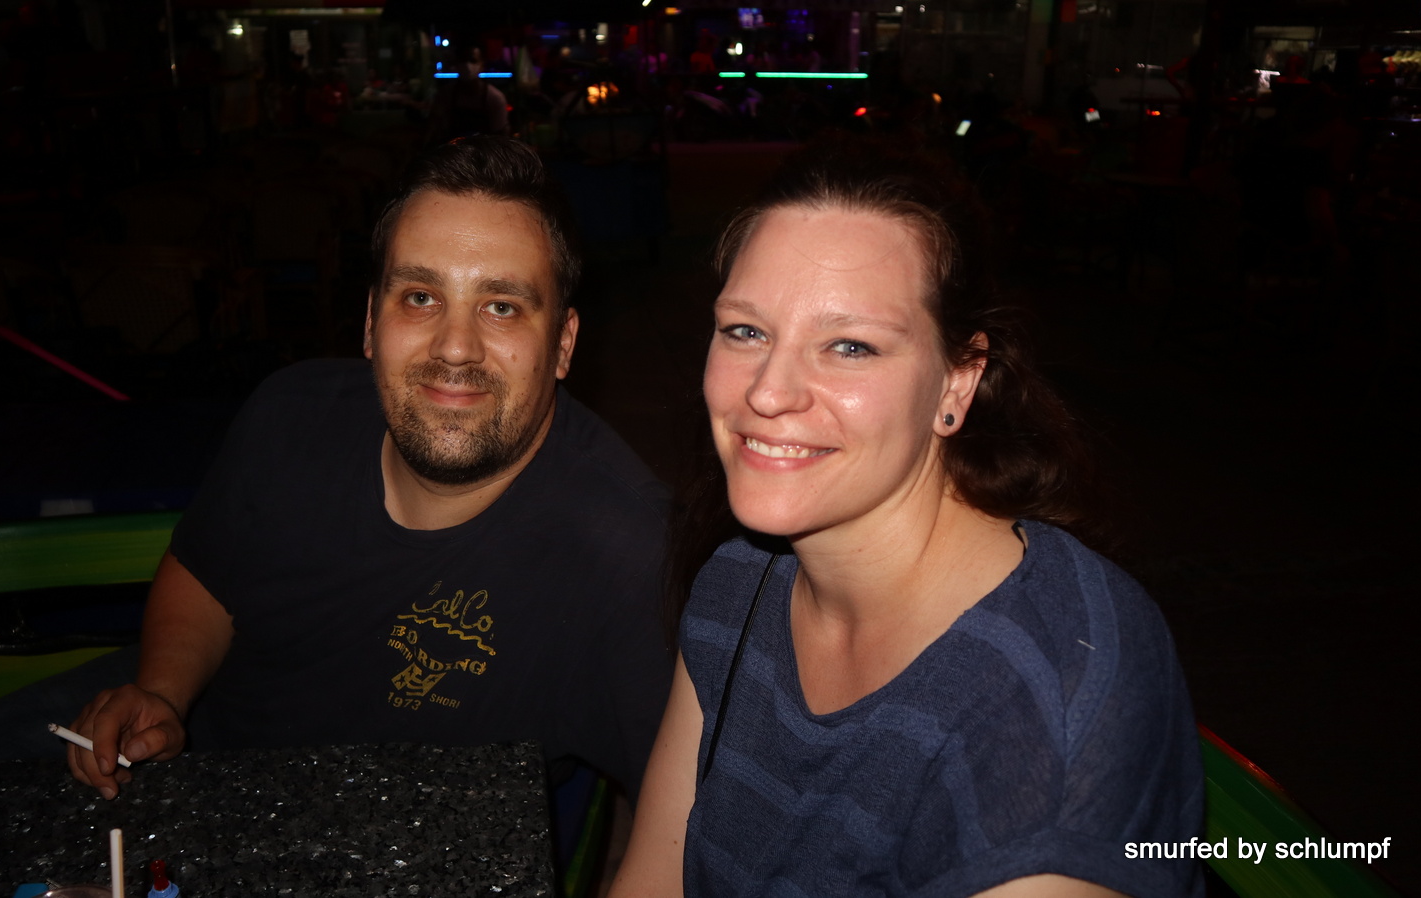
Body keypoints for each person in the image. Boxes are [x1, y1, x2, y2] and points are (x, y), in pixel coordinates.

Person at [612, 141, 1203, 897]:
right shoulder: (739, 581)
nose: (768, 392)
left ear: (958, 381)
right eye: (745, 331)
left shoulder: (1040, 710)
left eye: (850, 346)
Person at [63, 136, 672, 801]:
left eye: (501, 306)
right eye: (420, 297)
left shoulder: (630, 555)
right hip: (211, 792)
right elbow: (205, 572)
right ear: (370, 322)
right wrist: (162, 693)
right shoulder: (289, 415)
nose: (455, 347)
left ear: (563, 344)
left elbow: (690, 816)